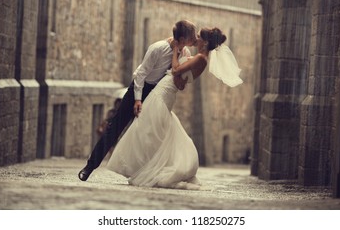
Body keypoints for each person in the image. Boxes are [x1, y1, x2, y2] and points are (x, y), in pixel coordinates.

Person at [106, 27, 243, 189]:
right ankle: (142, 167)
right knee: (148, 131)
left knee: (147, 130)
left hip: (163, 94)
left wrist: (175, 51)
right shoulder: (197, 57)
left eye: (198, 36)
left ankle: (147, 169)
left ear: (205, 42)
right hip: (164, 92)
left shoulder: (201, 58)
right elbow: (181, 81)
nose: (195, 38)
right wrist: (178, 62)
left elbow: (177, 70)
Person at [78, 20, 197, 181]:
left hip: (157, 95)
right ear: (182, 39)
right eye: (191, 38)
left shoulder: (185, 53)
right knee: (115, 127)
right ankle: (89, 167)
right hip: (139, 88)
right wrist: (137, 100)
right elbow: (141, 75)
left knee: (149, 135)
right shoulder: (157, 48)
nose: (194, 40)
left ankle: (146, 173)